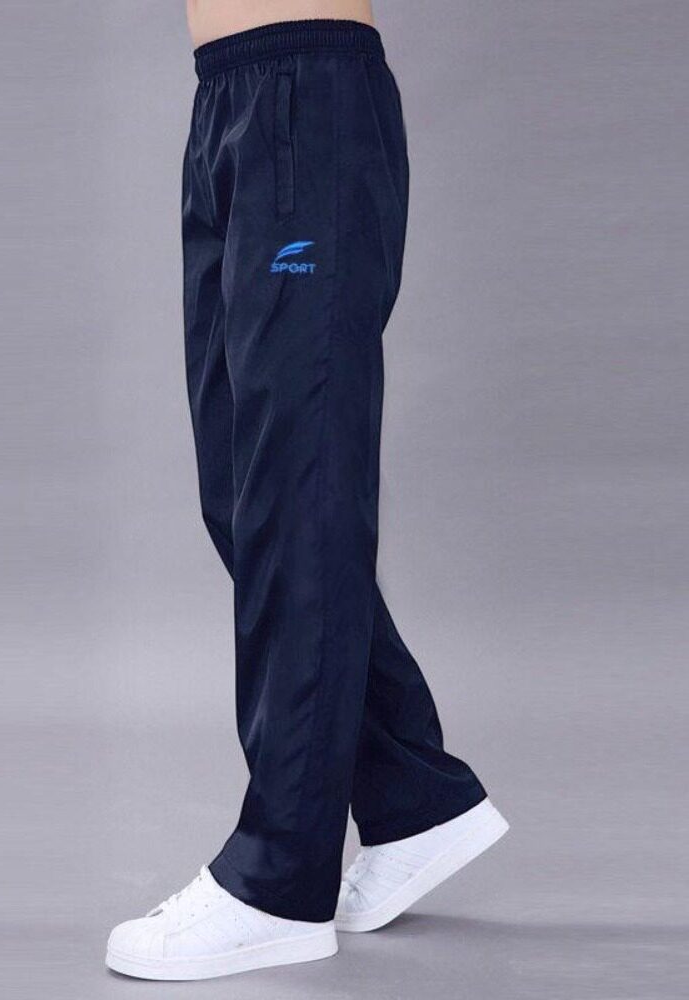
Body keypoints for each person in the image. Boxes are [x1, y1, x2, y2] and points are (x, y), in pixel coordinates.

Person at [106, 0, 508, 982]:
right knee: (244, 493)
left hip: (303, 97)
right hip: (229, 101)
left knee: (298, 491)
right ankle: (414, 797)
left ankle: (280, 880)